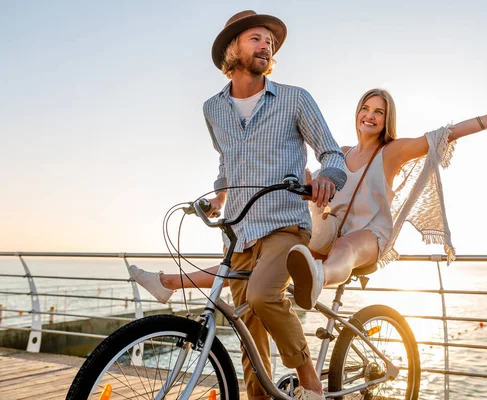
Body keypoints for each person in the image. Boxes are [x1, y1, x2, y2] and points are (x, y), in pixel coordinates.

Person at [130, 10, 346, 400]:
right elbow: (228, 160)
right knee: (249, 332)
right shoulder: (212, 109)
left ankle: (310, 381)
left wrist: (329, 178)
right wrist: (218, 197)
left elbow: (331, 151)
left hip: (285, 223)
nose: (266, 45)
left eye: (269, 41)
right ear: (233, 49)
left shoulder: (295, 99)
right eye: (256, 39)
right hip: (239, 231)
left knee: (264, 297)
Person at [286, 87, 487, 310]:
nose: (370, 116)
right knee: (290, 244)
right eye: (366, 108)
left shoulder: (393, 152)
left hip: (369, 235)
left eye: (379, 112)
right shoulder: (340, 153)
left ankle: (318, 277)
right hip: (331, 231)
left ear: (387, 120)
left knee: (345, 248)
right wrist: (311, 188)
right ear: (357, 113)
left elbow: (449, 133)